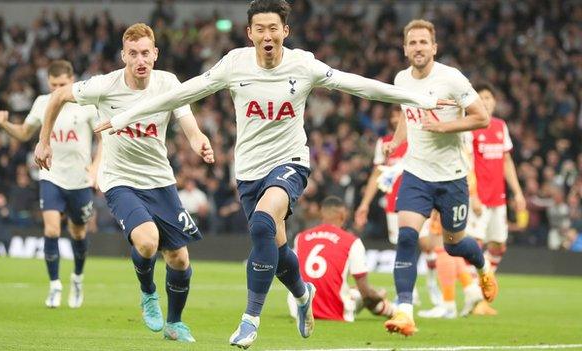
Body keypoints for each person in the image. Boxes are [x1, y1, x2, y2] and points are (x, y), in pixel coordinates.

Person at [94, 1, 452, 348]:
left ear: (285, 31)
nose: (268, 35)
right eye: (260, 29)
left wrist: (417, 99)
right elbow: (181, 93)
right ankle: (302, 291)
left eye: (274, 28)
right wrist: (125, 117)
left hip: (290, 162)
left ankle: (250, 319)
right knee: (277, 249)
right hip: (249, 171)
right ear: (250, 33)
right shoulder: (234, 65)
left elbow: (357, 84)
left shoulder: (303, 65)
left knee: (265, 221)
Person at [34, 23, 214, 343]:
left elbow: (187, 121)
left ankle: (174, 323)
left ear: (155, 54)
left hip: (160, 180)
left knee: (180, 259)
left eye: (145, 52)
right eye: (133, 54)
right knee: (147, 242)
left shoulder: (168, 83)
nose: (140, 59)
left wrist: (199, 140)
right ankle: (148, 295)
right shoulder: (105, 85)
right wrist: (43, 141)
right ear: (124, 56)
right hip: (119, 179)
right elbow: (59, 95)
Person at [382, 19, 498, 336]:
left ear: (434, 47)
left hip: (452, 178)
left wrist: (445, 127)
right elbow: (408, 114)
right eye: (412, 43)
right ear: (405, 48)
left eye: (423, 42)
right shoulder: (401, 78)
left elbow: (482, 117)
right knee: (407, 237)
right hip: (417, 173)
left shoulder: (452, 79)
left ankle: (483, 266)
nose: (418, 47)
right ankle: (404, 310)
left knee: (453, 245)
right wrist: (396, 141)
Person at [0, 60, 100, 309]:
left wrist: (96, 166)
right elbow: (24, 133)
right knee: (52, 230)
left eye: (62, 84)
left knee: (78, 233)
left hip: (80, 180)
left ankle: (77, 278)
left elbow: (104, 136)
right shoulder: (43, 103)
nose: (58, 90)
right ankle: (54, 285)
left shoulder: (85, 103)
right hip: (51, 177)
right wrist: (4, 125)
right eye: (53, 85)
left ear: (72, 80)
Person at [354, 105, 441, 308]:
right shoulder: (384, 144)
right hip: (394, 204)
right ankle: (410, 293)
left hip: (421, 200)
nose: (395, 119)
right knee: (404, 246)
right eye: (392, 115)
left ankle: (432, 285)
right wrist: (365, 203)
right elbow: (377, 173)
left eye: (398, 115)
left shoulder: (419, 139)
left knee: (427, 244)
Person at [465, 82, 526, 315]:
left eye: (489, 97)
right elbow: (467, 164)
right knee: (475, 245)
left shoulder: (501, 126)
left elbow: (507, 161)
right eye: (481, 97)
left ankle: (480, 294)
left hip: (498, 198)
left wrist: (518, 192)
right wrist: (473, 196)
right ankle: (473, 292)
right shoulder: (470, 127)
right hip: (478, 199)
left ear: (495, 101)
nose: (486, 101)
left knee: (498, 245)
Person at [288, 196, 394, 322]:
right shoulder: (352, 242)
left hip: (298, 309)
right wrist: (379, 296)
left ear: (322, 214)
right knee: (364, 294)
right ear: (343, 215)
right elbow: (366, 294)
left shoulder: (300, 238)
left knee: (352, 291)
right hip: (335, 310)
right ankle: (397, 312)